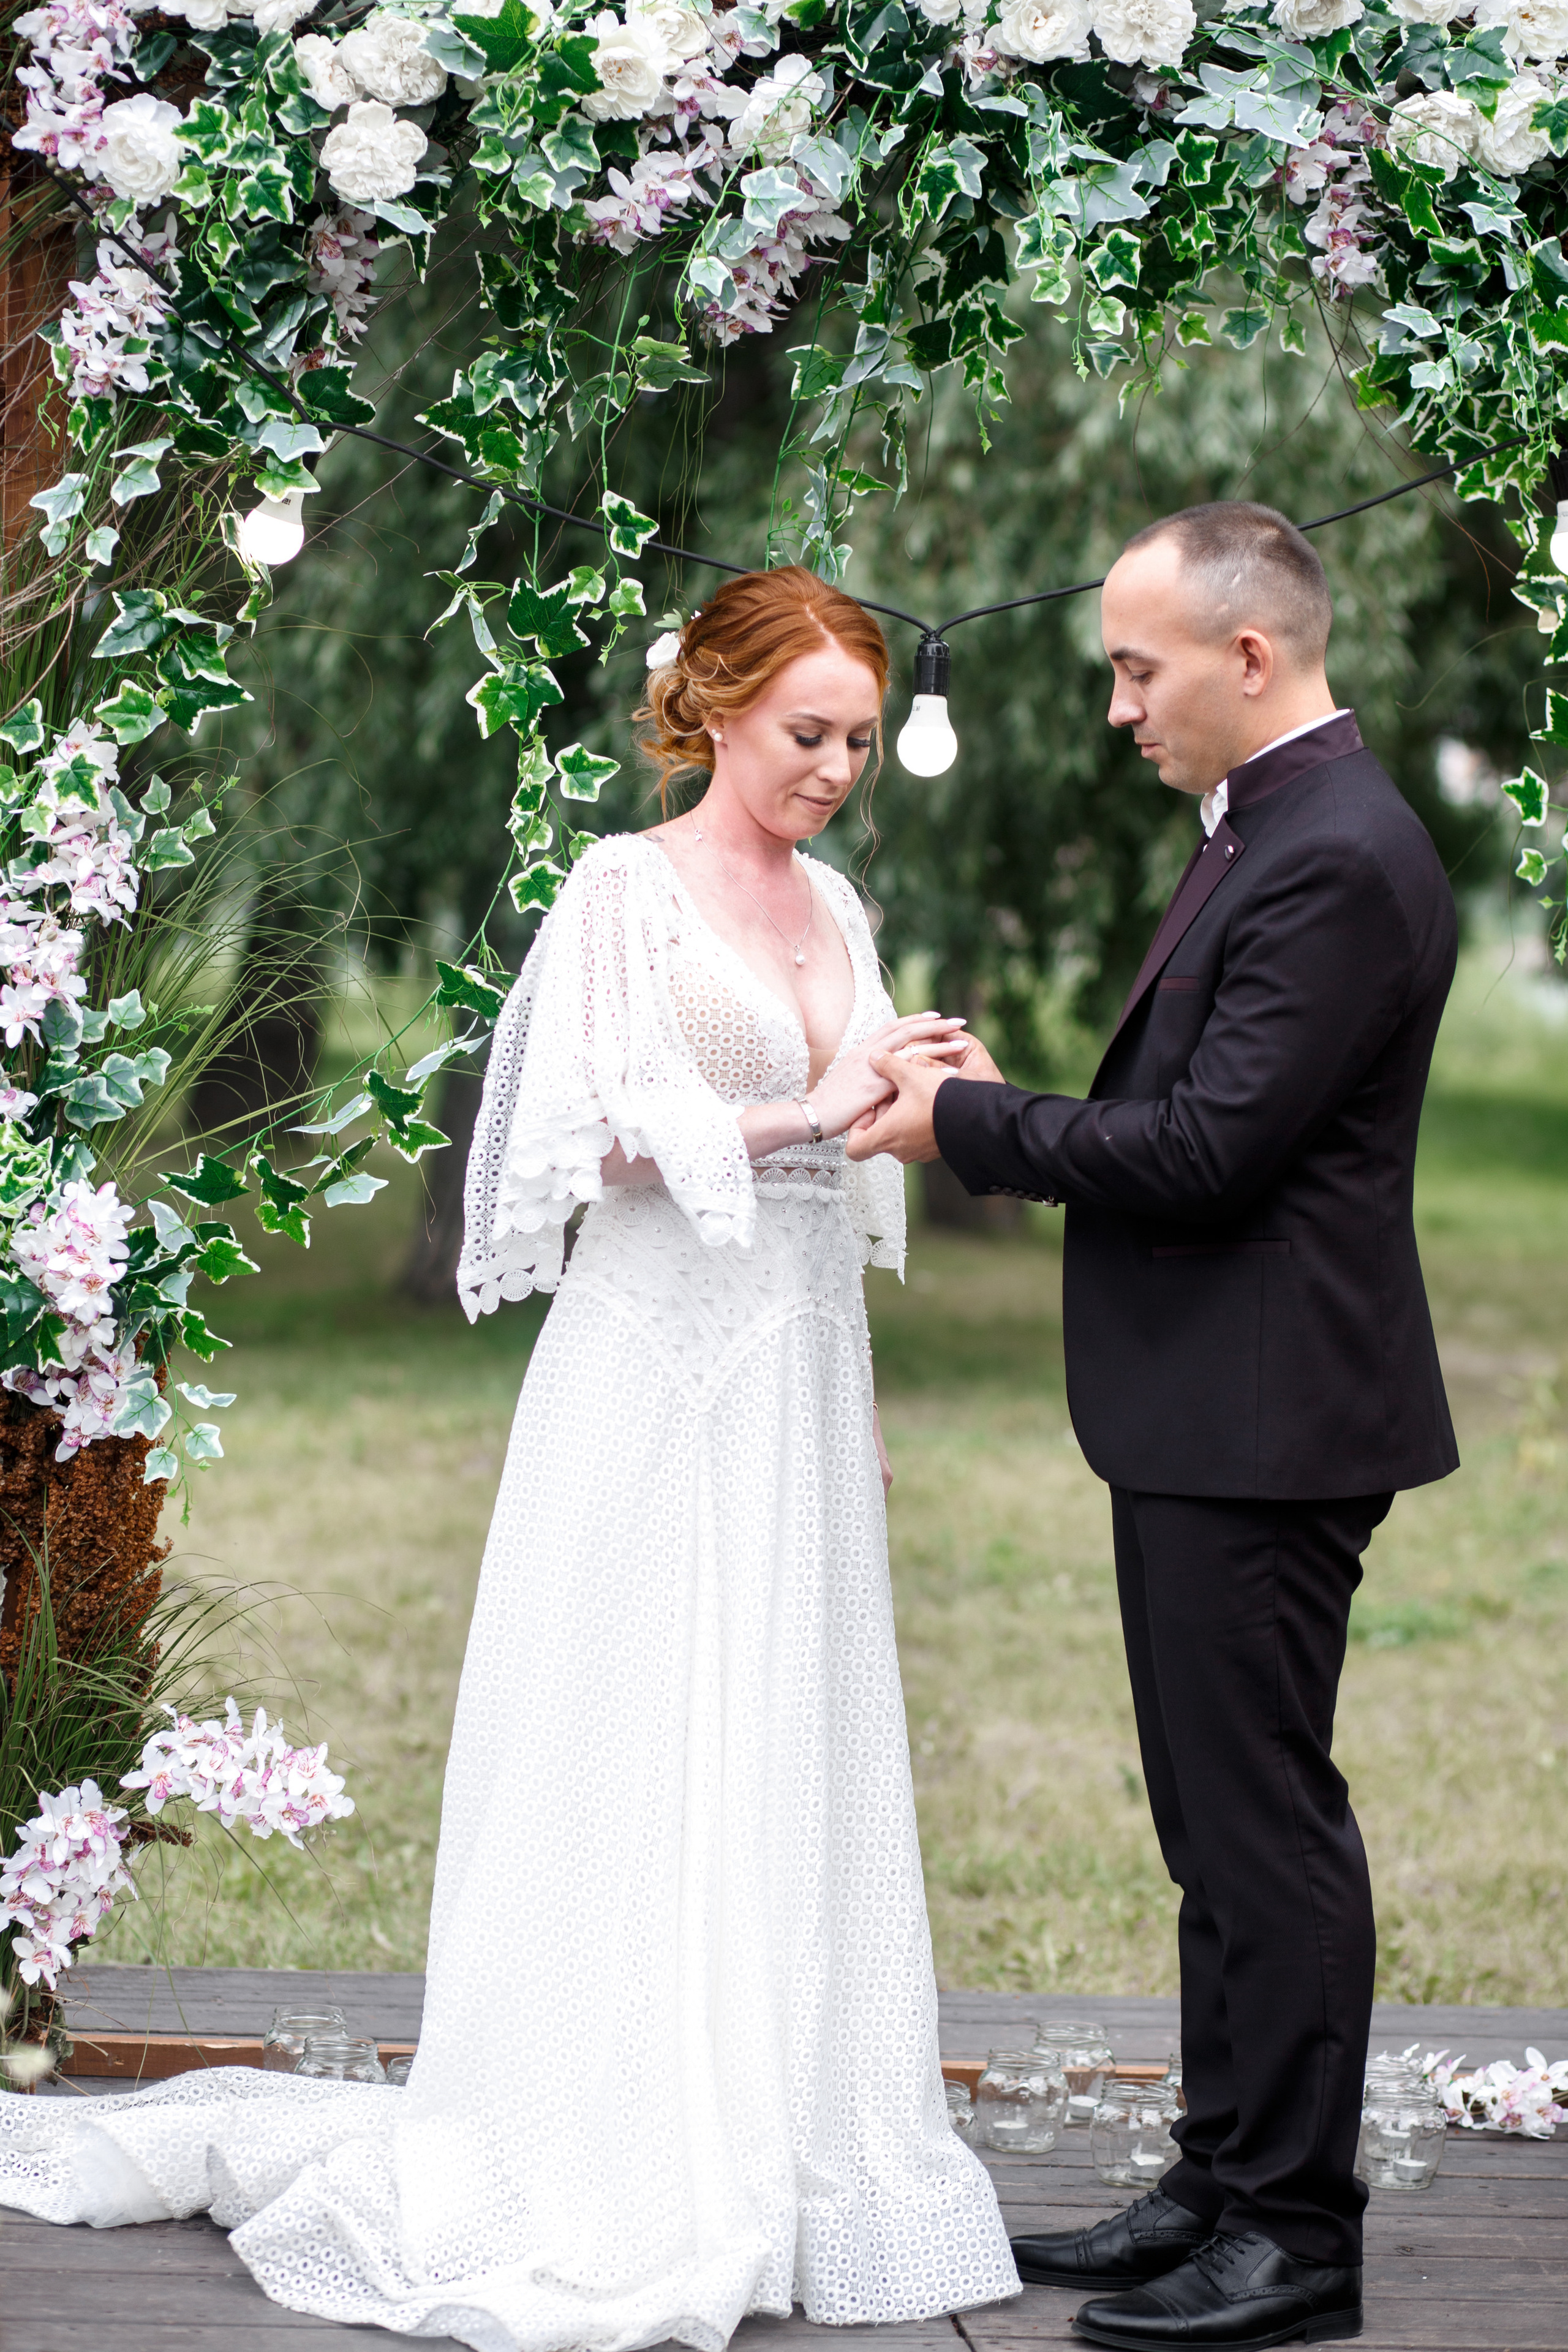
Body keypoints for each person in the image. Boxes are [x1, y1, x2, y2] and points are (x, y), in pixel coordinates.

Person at [0, 566, 1019, 2348]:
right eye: (807, 733)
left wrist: (916, 1092)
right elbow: (579, 1141)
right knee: (628, 1730)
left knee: (779, 1732)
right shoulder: (621, 894)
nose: (836, 768)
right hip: (647, 1371)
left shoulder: (840, 899)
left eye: (858, 738)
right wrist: (806, 1110)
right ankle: (608, 2142)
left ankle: (775, 2139)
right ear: (708, 706)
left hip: (791, 1372)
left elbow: (848, 1177)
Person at [847, 505, 1458, 2352]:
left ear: (1248, 657)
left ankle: (1296, 2235)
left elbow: (1206, 1153)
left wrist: (969, 1127)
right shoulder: (1269, 829)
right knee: (1215, 1825)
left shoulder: (1339, 852)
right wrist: (999, 1106)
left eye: (1137, 668)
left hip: (1269, 1419)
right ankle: (1220, 2171)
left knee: (1265, 1826)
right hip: (1208, 1413)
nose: (1118, 709)